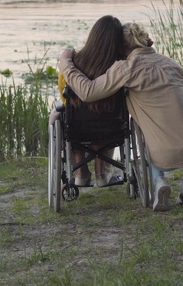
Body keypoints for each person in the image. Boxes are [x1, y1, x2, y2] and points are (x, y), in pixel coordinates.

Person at [58, 22, 183, 211]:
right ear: (147, 41)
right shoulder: (173, 65)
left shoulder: (126, 69)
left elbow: (88, 92)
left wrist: (66, 64)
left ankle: (159, 180)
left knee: (150, 135)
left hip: (161, 156)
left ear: (121, 49)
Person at [49, 15, 127, 187]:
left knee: (69, 115)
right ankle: (102, 172)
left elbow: (65, 97)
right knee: (106, 114)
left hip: (78, 128)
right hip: (111, 127)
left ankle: (81, 172)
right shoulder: (120, 67)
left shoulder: (72, 63)